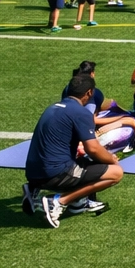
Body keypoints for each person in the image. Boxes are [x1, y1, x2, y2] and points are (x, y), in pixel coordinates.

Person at [24, 72, 123, 227]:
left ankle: (73, 202)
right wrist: (112, 160)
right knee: (115, 173)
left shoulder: (52, 108)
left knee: (86, 161)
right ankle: (58, 202)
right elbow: (93, 149)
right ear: (89, 93)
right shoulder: (81, 113)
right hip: (55, 175)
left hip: (33, 173)